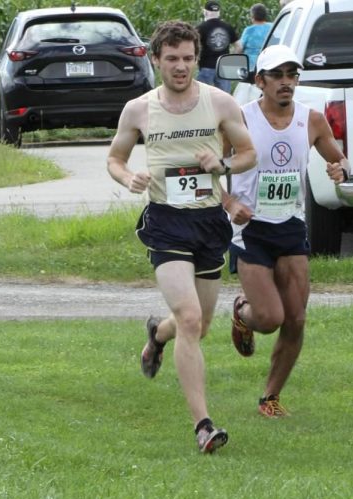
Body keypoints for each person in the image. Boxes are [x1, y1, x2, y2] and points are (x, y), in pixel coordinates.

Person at [107, 20, 257, 453]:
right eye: (171, 59)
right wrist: (128, 177)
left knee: (200, 325)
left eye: (188, 58)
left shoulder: (221, 102)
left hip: (209, 222)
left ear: (197, 59)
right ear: (156, 60)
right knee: (191, 318)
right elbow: (115, 159)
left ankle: (157, 334)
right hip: (166, 220)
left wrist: (222, 166)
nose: (181, 66)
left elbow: (248, 154)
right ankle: (204, 426)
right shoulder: (138, 109)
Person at [224, 45, 349, 418]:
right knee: (270, 318)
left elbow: (337, 156)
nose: (285, 82)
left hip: (291, 226)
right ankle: (243, 314)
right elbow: (211, 174)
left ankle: (270, 397)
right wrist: (230, 204)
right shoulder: (239, 119)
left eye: (292, 75)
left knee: (295, 318)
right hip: (251, 229)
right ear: (259, 81)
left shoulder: (311, 120)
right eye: (276, 75)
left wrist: (340, 168)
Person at [196, 1, 238, 93]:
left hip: (206, 66)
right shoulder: (228, 27)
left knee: (201, 96)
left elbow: (193, 47)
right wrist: (231, 61)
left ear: (205, 12)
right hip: (224, 67)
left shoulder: (200, 28)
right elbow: (239, 46)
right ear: (219, 12)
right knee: (225, 98)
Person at [234, 3, 272, 71]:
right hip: (270, 65)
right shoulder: (273, 27)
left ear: (252, 16)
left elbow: (240, 48)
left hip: (252, 69)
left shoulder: (249, 30)